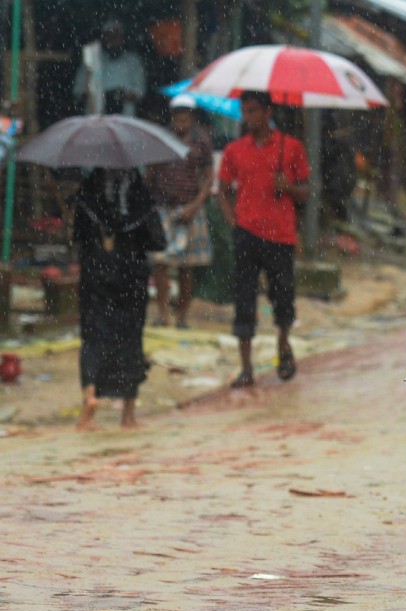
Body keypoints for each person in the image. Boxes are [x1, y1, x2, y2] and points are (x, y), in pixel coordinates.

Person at [217, 90, 310, 388]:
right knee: (244, 298)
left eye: (255, 111)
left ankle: (283, 344)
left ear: (268, 112)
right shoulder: (234, 150)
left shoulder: (291, 147)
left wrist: (289, 187)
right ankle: (246, 368)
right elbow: (222, 189)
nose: (249, 118)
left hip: (281, 235)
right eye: (245, 112)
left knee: (283, 295)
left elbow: (306, 191)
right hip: (247, 234)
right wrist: (234, 222)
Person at [72, 168, 165, 430]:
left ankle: (90, 398)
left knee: (92, 335)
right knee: (130, 338)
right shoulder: (140, 195)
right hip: (131, 276)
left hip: (95, 273)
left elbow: (77, 236)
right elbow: (158, 240)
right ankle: (128, 414)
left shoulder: (88, 191)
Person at [147, 94, 214, 329]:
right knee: (160, 263)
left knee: (187, 266)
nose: (181, 123)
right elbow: (151, 173)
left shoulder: (202, 141)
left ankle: (182, 316)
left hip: (190, 208)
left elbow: (208, 179)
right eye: (178, 118)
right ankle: (163, 313)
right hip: (163, 207)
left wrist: (195, 206)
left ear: (192, 118)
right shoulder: (162, 138)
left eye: (185, 119)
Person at [73, 19, 146, 116]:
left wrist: (119, 97)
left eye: (117, 35)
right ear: (104, 38)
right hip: (96, 119)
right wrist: (100, 97)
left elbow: (140, 91)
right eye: (110, 36)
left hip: (125, 118)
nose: (113, 39)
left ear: (123, 37)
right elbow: (78, 90)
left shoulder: (133, 60)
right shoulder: (92, 60)